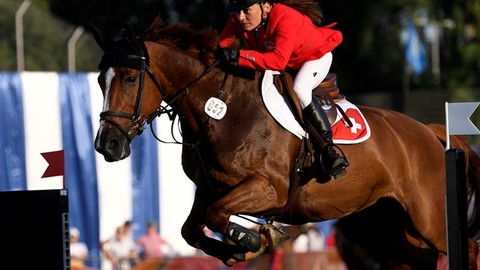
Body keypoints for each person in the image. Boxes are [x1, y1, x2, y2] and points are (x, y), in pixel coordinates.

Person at [218, 0, 349, 179]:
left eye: (246, 10)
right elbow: (220, 47)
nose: (240, 17)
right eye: (236, 11)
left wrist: (237, 55)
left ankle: (329, 151)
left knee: (300, 88)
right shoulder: (238, 20)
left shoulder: (285, 17)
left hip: (313, 58)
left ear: (265, 6)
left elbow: (277, 61)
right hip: (287, 63)